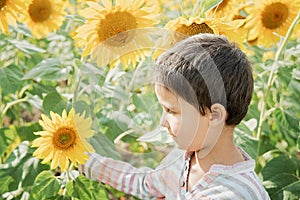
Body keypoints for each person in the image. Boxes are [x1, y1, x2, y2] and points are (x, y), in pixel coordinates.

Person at [79, 33, 270, 199]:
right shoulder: (181, 159)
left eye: (171, 111)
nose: (163, 122)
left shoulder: (237, 193)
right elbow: (146, 184)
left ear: (214, 115)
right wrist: (85, 161)